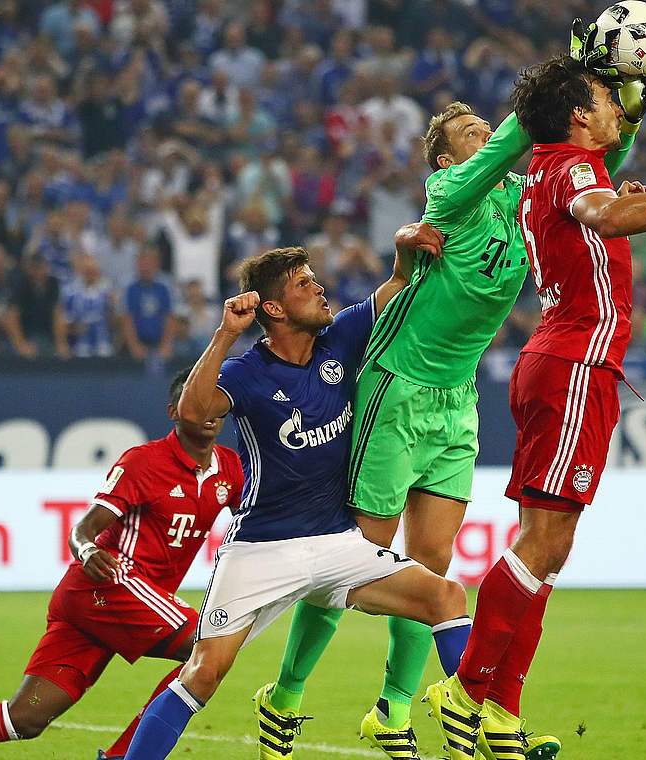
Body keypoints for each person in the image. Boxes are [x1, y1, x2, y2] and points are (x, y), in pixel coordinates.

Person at [263, 86, 645, 760]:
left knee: (432, 567)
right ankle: (286, 697)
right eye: (471, 131)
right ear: (445, 157)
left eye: (485, 127)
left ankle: (392, 710)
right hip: (397, 388)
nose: (486, 134)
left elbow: (593, 160)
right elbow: (507, 147)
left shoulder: (524, 198)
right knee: (356, 559)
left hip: (455, 400)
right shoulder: (455, 192)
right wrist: (538, 108)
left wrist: (630, 116)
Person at [422, 53, 646, 760]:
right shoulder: (571, 168)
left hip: (563, 363)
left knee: (550, 550)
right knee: (542, 547)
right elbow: (602, 215)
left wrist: (630, 193)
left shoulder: (553, 169)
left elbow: (594, 214)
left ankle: (500, 713)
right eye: (607, 100)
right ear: (579, 114)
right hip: (574, 364)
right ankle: (466, 690)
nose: (618, 111)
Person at [120, 246, 474, 760]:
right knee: (204, 672)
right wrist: (224, 334)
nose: (319, 287)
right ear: (275, 309)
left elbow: (399, 278)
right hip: (262, 548)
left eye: (314, 278)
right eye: (304, 284)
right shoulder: (247, 371)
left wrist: (406, 244)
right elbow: (194, 413)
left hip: (337, 544)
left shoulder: (343, 338)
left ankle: (478, 714)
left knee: (447, 597)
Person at [0, 369, 244, 760]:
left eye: (216, 407)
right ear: (175, 411)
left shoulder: (229, 468)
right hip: (106, 585)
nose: (209, 414)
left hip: (122, 605)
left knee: (25, 718)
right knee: (206, 647)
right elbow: (84, 529)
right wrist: (87, 550)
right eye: (197, 404)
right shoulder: (144, 462)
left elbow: (259, 517)